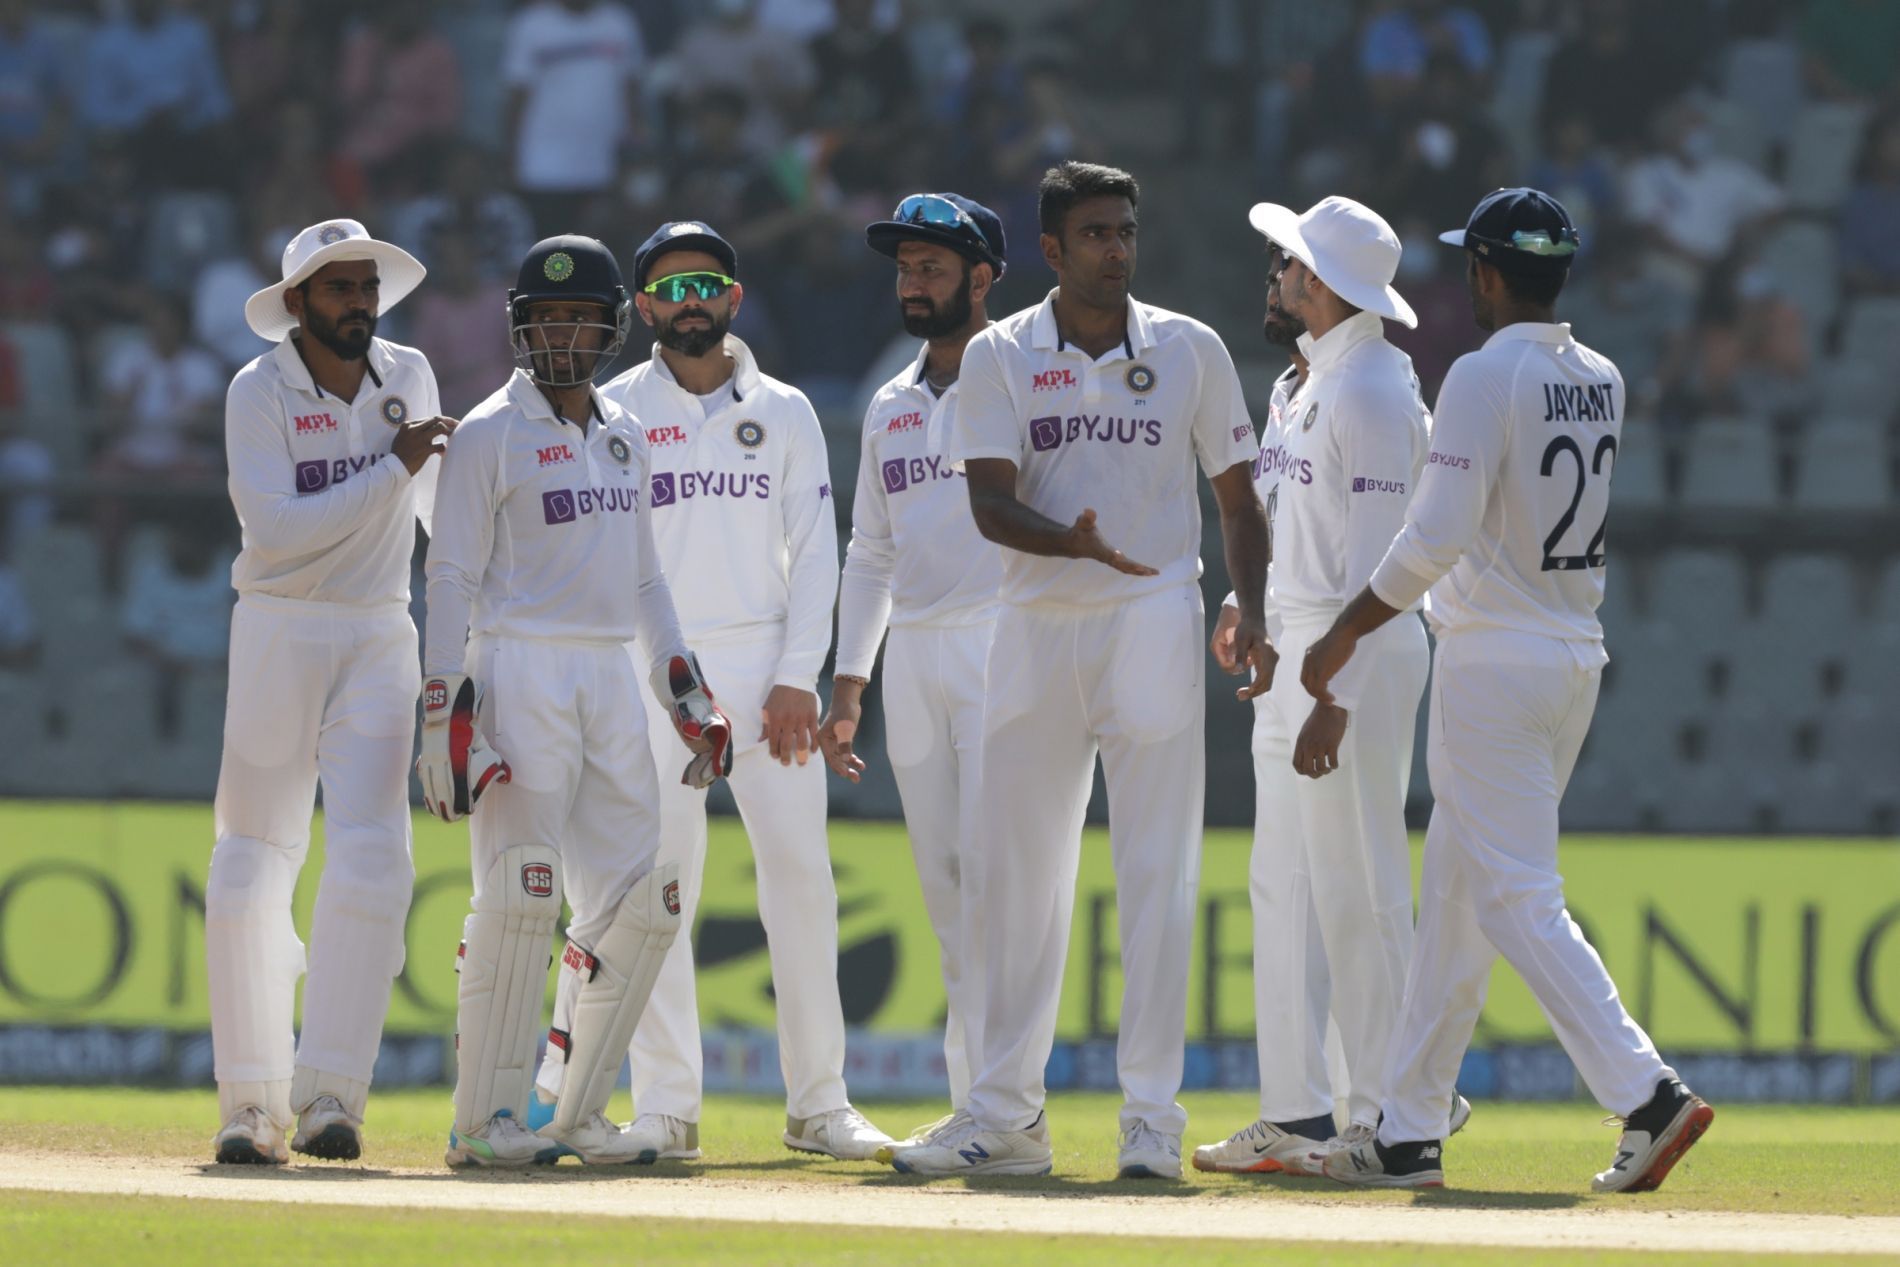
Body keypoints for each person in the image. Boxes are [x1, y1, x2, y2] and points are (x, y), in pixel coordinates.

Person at [1304, 188, 1714, 1191]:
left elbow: (1436, 533)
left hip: (1492, 657)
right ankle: (1406, 1128)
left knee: (1519, 898)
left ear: (1486, 273)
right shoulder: (1600, 375)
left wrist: (1345, 627)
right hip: (1569, 651)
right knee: (1455, 895)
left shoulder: (1485, 374)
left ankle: (1646, 1093)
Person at [888, 161, 1270, 1180]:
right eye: (1095, 234)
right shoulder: (1001, 355)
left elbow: (1237, 499)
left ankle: (1151, 1120)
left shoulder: (1189, 347)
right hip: (1032, 621)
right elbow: (987, 505)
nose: (1116, 249)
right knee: (1016, 878)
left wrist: (1257, 608)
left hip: (1149, 613)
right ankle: (1004, 1115)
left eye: (1125, 231)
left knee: (1156, 870)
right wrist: (1074, 544)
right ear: (1050, 251)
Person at [531, 220, 891, 1162]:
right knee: (659, 889)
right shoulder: (608, 411)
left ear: (733, 299)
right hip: (653, 672)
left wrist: (793, 679)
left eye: (708, 287)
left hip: (764, 669)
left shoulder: (787, 410)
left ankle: (820, 1103)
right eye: (671, 289)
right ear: (643, 307)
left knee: (801, 883)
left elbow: (818, 555)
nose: (690, 303)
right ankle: (668, 1107)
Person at [422, 234, 731, 1167]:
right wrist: (443, 715)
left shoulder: (625, 436)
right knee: (521, 892)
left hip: (606, 677)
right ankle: (486, 1120)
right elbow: (448, 577)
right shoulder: (486, 434)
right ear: (522, 326)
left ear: (606, 327)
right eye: (546, 317)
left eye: (579, 317)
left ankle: (581, 1115)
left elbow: (645, 585)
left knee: (644, 901)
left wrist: (687, 692)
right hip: (518, 668)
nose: (562, 333)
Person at [207, 219, 453, 1164]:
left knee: (375, 862)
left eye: (366, 286)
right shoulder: (255, 390)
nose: (357, 302)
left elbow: (441, 522)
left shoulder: (411, 375)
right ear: (298, 303)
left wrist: (463, 652)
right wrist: (393, 468)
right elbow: (274, 531)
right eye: (337, 289)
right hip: (277, 625)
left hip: (380, 627)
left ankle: (331, 1099)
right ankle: (249, 1107)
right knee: (246, 867)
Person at [1200, 195, 1435, 1172]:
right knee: (1285, 883)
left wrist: (1330, 688)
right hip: (1297, 642)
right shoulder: (1304, 381)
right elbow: (1285, 515)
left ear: (1325, 283)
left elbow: (1383, 568)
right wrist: (1241, 602)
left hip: (1351, 653)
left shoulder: (1377, 388)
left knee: (1360, 881)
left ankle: (1389, 1118)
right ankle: (1296, 1111)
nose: (1276, 271)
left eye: (1290, 259)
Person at [818, 193, 1007, 1150]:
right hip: (918, 654)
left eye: (933, 267)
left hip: (1006, 643)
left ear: (982, 278)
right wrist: (848, 684)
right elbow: (872, 551)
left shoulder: (1023, 376)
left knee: (1000, 883)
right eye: (905, 268)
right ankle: (979, 1102)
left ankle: (1005, 1106)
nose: (914, 283)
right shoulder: (887, 400)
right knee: (945, 888)